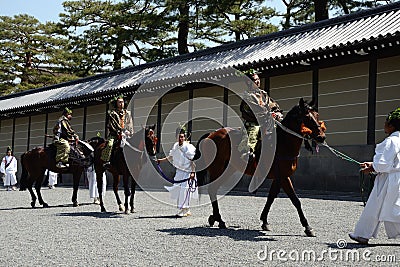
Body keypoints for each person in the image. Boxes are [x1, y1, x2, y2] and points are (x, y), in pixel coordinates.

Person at [349, 107, 400, 244]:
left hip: (388, 180)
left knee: (374, 206)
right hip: (396, 177)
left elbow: (383, 165)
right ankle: (363, 234)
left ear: (391, 125)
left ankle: (362, 234)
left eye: (386, 123)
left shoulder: (391, 141)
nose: (384, 125)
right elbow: (393, 161)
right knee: (396, 207)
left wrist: (372, 167)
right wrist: (373, 164)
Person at [238, 69, 282, 160]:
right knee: (254, 131)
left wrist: (276, 112)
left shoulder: (263, 94)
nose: (258, 81)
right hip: (254, 121)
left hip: (267, 120)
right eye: (255, 80)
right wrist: (269, 114)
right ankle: (247, 152)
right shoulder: (247, 96)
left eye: (258, 79)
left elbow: (272, 104)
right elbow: (256, 110)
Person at [157, 127, 198, 217]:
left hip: (188, 172)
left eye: (182, 137)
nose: (181, 139)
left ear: (185, 137)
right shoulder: (175, 146)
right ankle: (186, 209)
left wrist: (193, 172)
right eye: (179, 137)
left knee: (185, 190)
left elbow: (193, 161)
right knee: (179, 190)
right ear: (176, 137)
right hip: (179, 172)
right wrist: (161, 160)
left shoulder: (188, 147)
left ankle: (183, 209)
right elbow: (170, 156)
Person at [102, 95, 133, 168]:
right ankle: (107, 161)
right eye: (119, 102)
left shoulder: (128, 113)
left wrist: (130, 132)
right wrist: (119, 132)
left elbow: (130, 124)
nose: (121, 104)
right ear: (116, 103)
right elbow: (112, 125)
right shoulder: (113, 113)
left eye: (122, 102)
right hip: (115, 134)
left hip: (127, 134)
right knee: (110, 145)